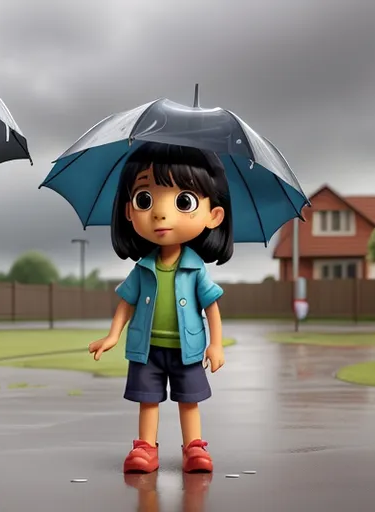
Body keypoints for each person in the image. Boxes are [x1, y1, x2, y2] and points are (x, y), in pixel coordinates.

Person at [88, 142, 233, 474]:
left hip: (188, 349)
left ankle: (194, 446)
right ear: (129, 211)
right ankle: (146, 447)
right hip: (147, 349)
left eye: (184, 201)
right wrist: (112, 336)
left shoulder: (196, 269)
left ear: (214, 215)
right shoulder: (142, 268)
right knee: (148, 400)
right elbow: (126, 302)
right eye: (145, 199)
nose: (160, 213)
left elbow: (211, 307)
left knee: (189, 400)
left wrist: (216, 343)